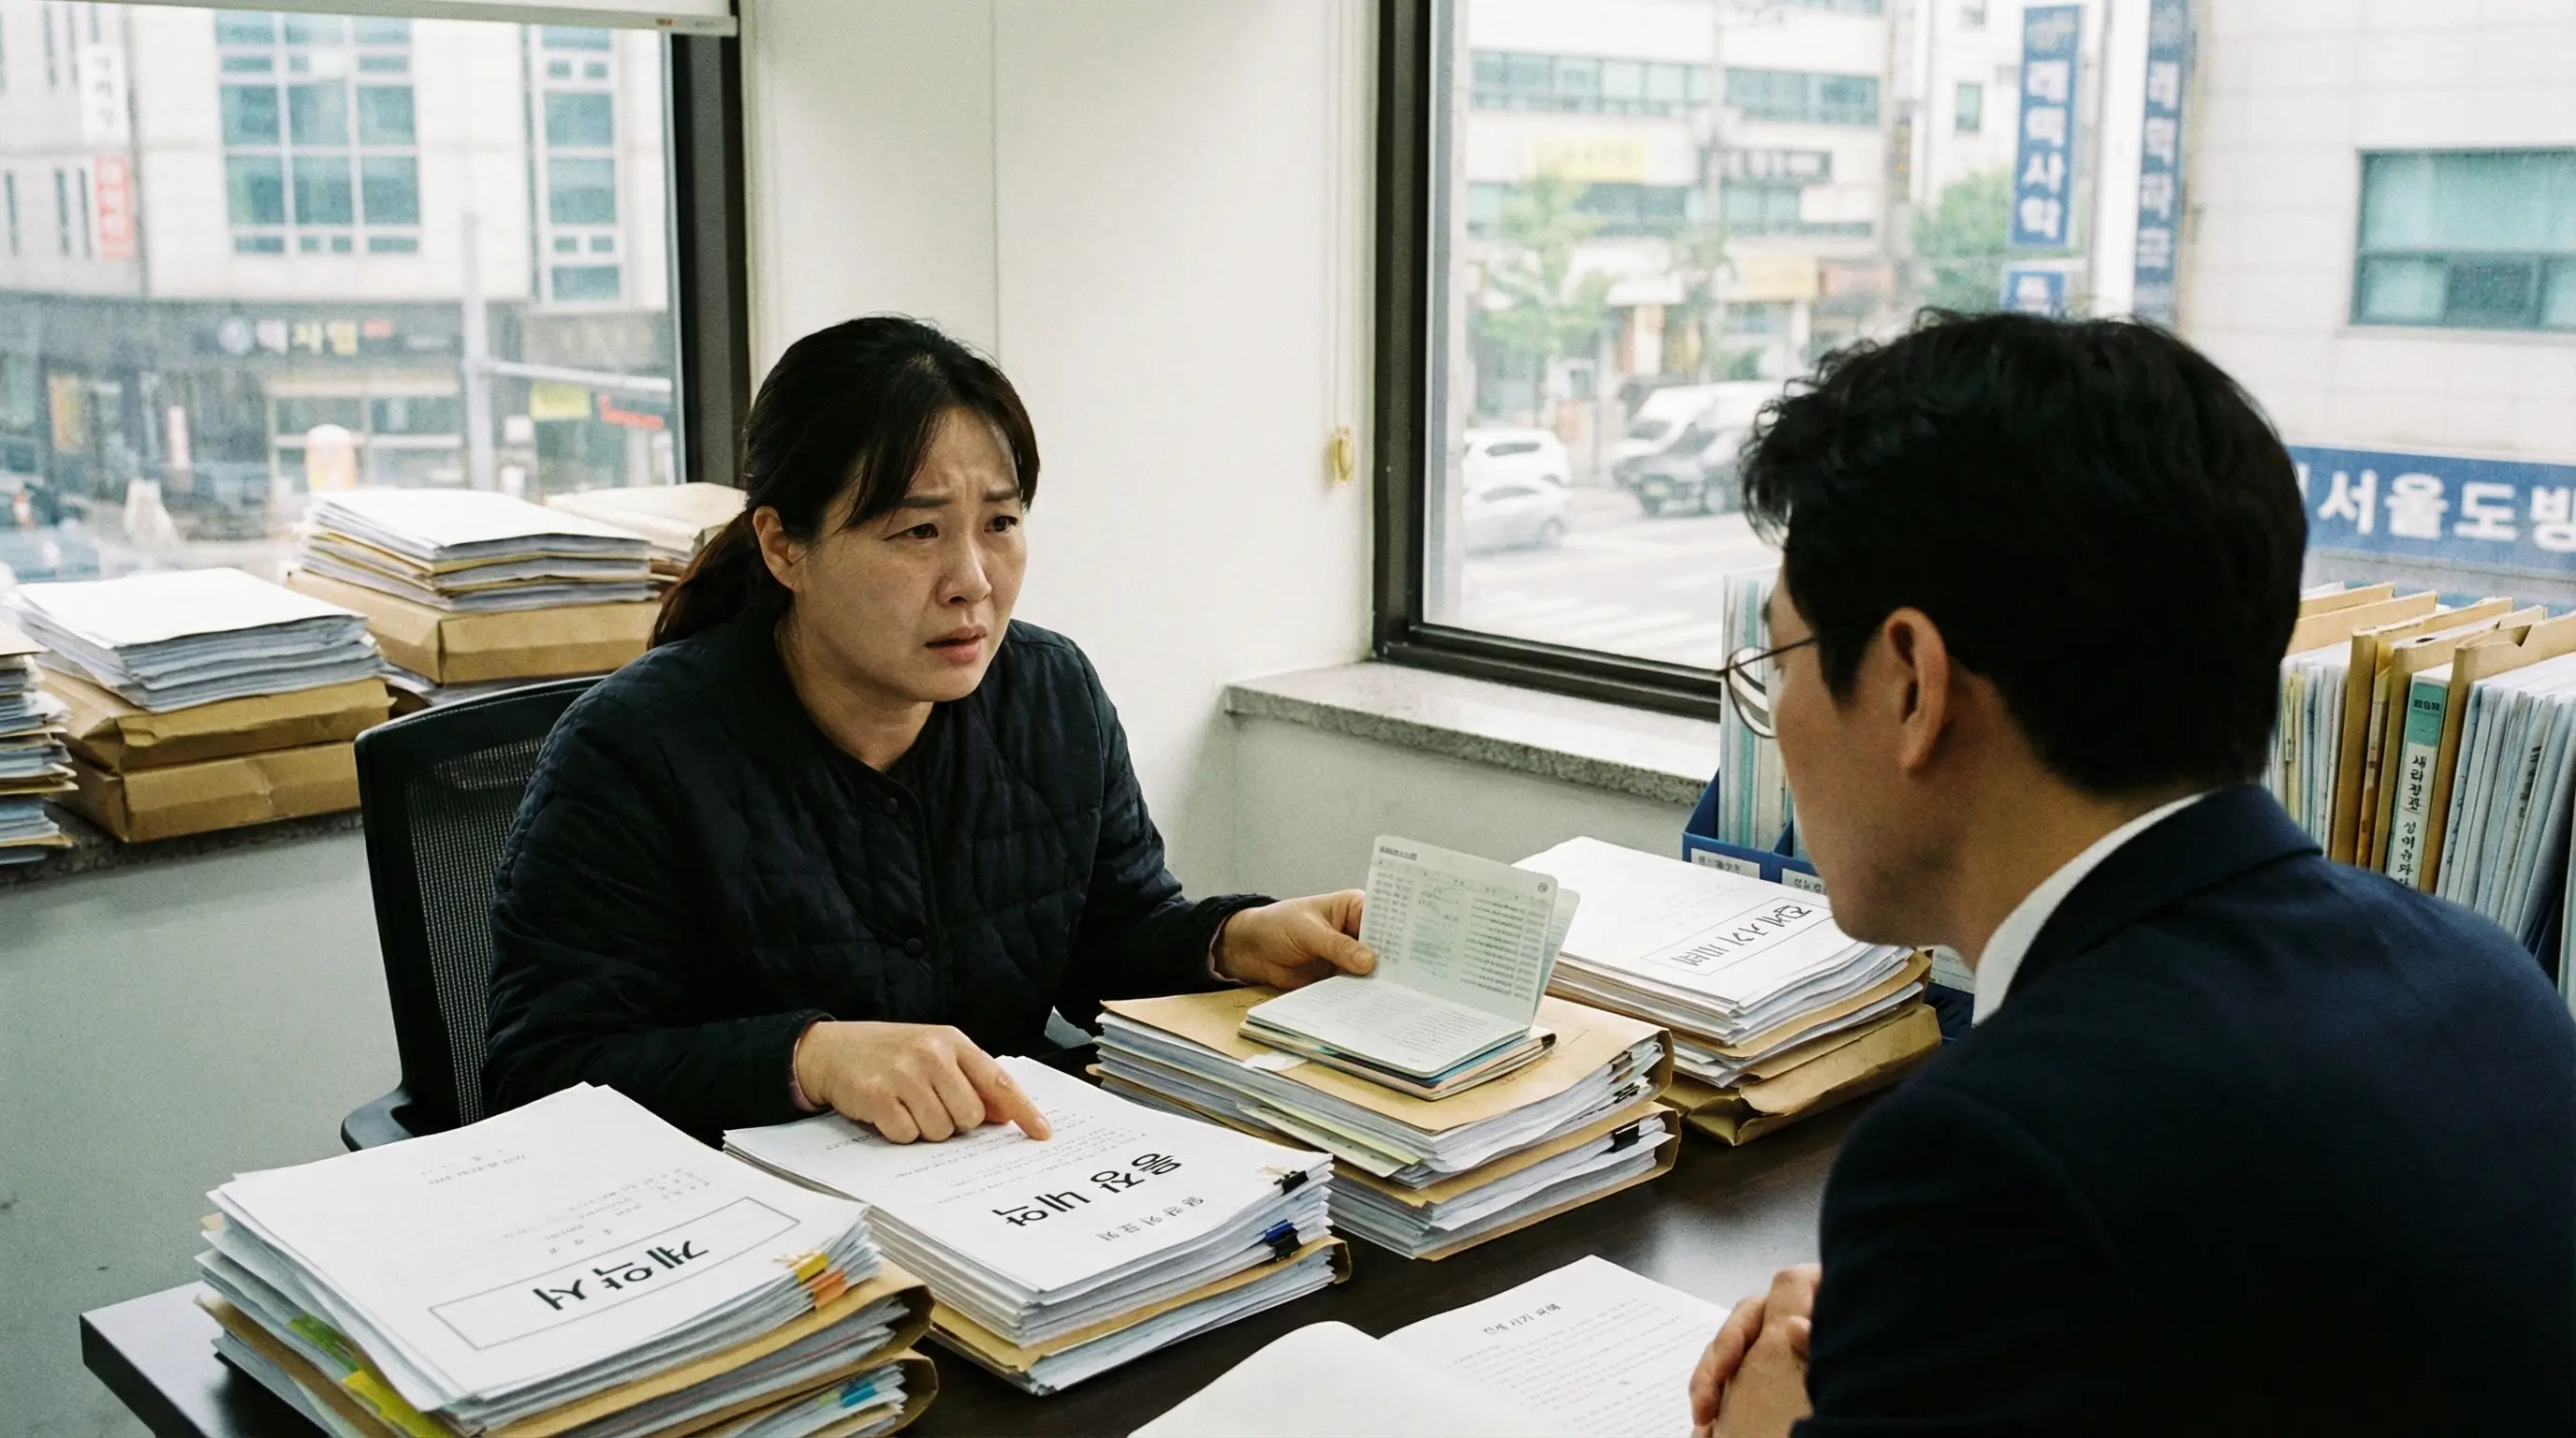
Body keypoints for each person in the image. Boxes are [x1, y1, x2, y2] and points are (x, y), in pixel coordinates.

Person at [1684, 313, 2576, 1436]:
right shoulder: (2484, 978)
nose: (1779, 714)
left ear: (1912, 682)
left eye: (1782, 659)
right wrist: (1920, 1338)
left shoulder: (1991, 1154)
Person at [483, 315, 1375, 1145]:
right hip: (769, 1242)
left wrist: (1232, 941)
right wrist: (811, 1058)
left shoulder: (1049, 694)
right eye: (917, 531)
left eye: (1000, 523)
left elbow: (1107, 938)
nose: (972, 581)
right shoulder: (636, 749)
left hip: (1009, 1187)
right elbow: (542, 1074)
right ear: (784, 545)